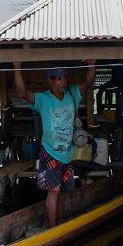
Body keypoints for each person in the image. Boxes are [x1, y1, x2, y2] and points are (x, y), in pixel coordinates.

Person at [13, 60, 96, 227]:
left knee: (64, 192)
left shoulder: (72, 94)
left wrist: (91, 64)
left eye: (64, 78)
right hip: (50, 153)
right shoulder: (43, 99)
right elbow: (22, 92)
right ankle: (52, 227)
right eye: (58, 78)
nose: (63, 82)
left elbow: (88, 82)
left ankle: (60, 224)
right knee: (53, 191)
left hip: (67, 153)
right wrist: (17, 67)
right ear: (50, 81)